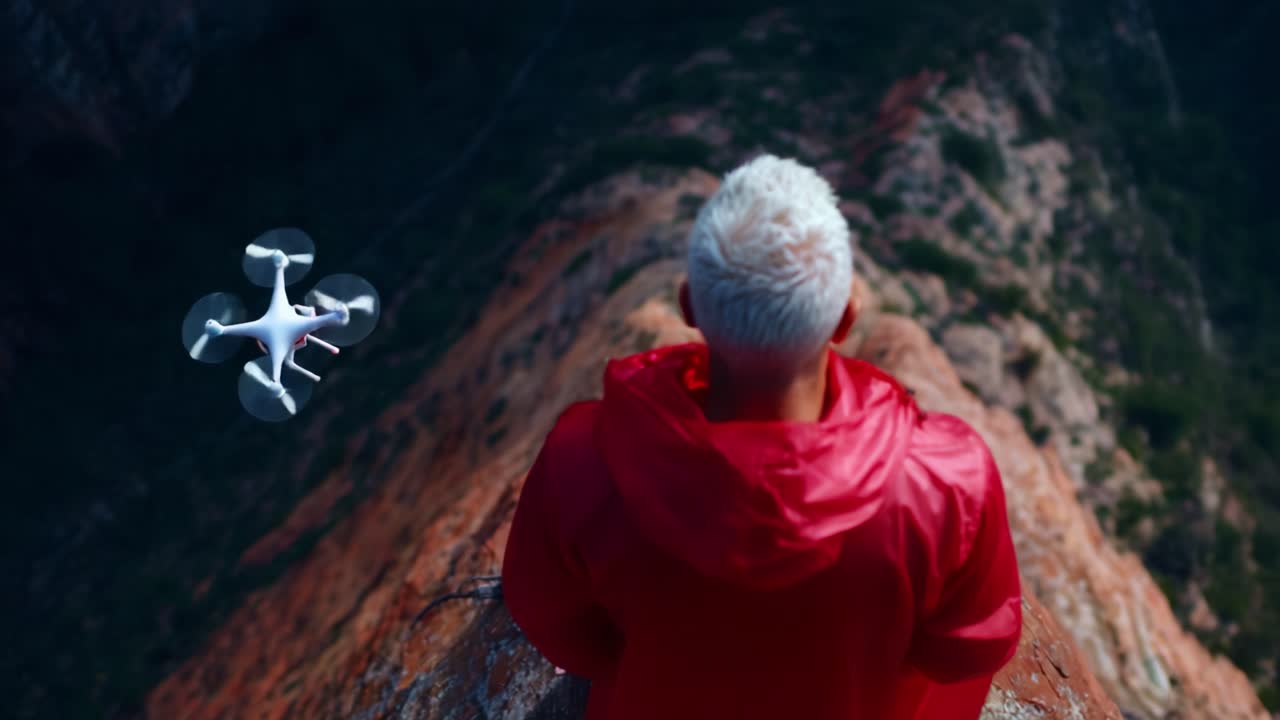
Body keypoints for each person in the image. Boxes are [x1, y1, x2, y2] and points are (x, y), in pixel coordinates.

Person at [502, 154, 1022, 719]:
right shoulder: (947, 482)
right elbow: (972, 651)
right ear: (844, 320)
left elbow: (560, 630)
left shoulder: (581, 459)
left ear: (689, 307)